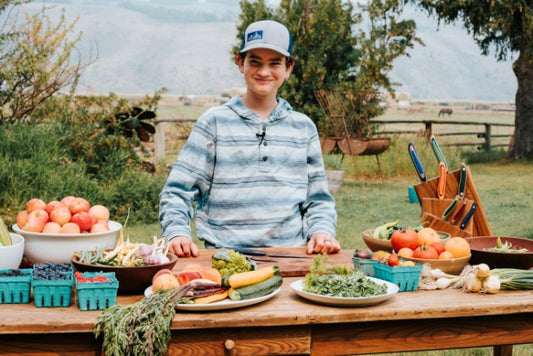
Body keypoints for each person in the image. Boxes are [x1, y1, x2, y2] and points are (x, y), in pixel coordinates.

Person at [159, 20, 339, 257]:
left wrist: (321, 232)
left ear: (289, 67)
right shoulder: (213, 123)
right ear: (240, 63)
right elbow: (177, 192)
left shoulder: (303, 128)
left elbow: (318, 200)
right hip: (224, 257)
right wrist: (177, 233)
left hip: (293, 256)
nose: (264, 72)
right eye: (255, 62)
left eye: (274, 63)